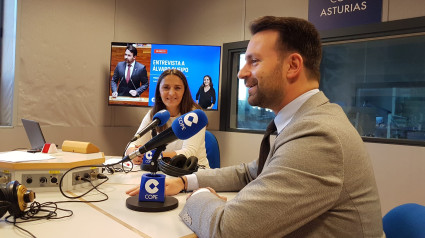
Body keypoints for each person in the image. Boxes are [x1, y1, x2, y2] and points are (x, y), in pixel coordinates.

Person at [127, 16, 384, 237]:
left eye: (254, 61)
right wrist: (185, 181)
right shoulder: (304, 121)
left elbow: (228, 230)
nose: (241, 73)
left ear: (293, 66)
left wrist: (199, 196)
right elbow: (250, 173)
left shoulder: (319, 136)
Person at [125, 69, 210, 168]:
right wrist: (133, 153)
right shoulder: (154, 114)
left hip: (194, 173)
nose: (171, 93)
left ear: (184, 91)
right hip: (164, 170)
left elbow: (188, 153)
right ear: (159, 91)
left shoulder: (195, 115)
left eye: (177, 88)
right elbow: (133, 144)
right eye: (166, 88)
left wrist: (153, 156)